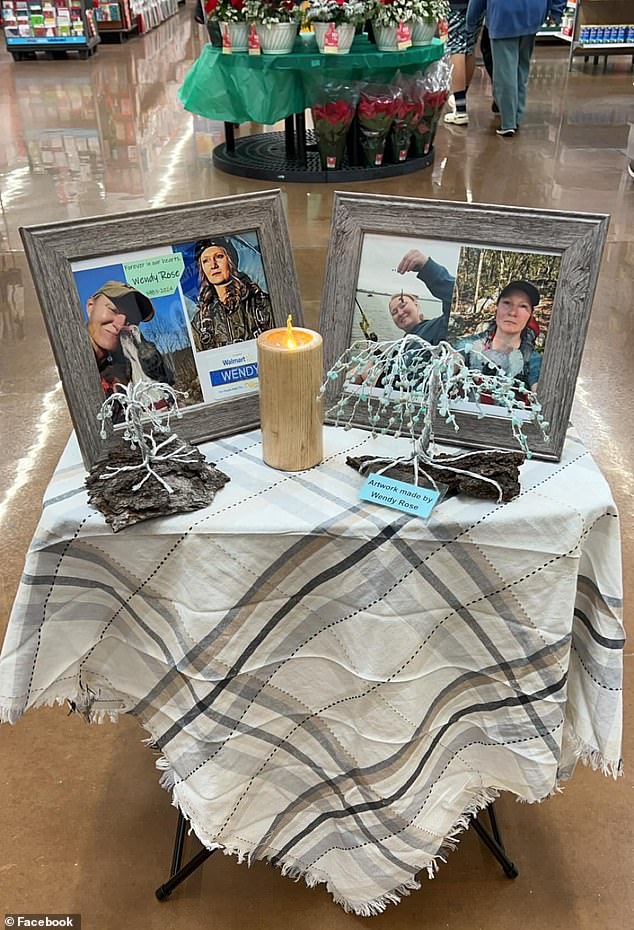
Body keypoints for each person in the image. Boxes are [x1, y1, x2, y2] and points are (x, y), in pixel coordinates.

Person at [466, 0, 566, 136]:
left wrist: (471, 21)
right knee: (522, 67)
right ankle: (517, 116)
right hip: (534, 12)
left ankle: (508, 122)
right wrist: (556, 10)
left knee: (504, 71)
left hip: (504, 14)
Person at [454, 280, 542, 392]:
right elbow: (449, 367)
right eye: (507, 303)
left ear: (530, 315)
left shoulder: (533, 360)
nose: (513, 313)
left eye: (523, 306)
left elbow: (539, 396)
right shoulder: (469, 346)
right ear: (497, 307)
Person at [190, 237, 272, 352]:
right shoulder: (200, 322)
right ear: (202, 269)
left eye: (219, 257)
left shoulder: (260, 303)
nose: (213, 265)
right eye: (206, 261)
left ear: (230, 260)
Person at [85, 280, 155, 396]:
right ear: (90, 306)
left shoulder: (119, 378)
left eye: (131, 320)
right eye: (112, 310)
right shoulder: (63, 359)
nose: (120, 325)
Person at [389, 249, 455, 345]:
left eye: (403, 305)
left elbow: (458, 298)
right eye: (394, 312)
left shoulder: (440, 326)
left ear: (416, 304)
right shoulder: (400, 346)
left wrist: (427, 267)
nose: (400, 313)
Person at [443, 1, 485, 126]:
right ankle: (459, 102)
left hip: (456, 5)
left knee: (456, 49)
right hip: (477, 5)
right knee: (469, 48)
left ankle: (460, 109)